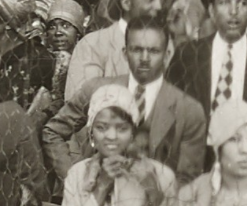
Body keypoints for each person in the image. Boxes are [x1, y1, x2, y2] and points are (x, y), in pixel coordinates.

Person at [43, 16, 208, 184]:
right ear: (125, 53)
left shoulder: (188, 109)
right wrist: (75, 180)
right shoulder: (97, 89)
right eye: (137, 50)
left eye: (153, 51)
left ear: (167, 55)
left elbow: (187, 180)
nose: (144, 58)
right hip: (100, 202)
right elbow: (53, 132)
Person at [56, 85, 178, 206]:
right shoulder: (78, 175)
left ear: (133, 132)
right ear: (91, 134)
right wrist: (100, 190)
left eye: (122, 128)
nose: (111, 136)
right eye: (101, 127)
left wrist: (154, 192)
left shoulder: (162, 175)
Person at [165, 0, 247, 112]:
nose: (233, 11)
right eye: (224, 2)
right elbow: (169, 106)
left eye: (242, 3)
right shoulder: (187, 54)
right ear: (211, 11)